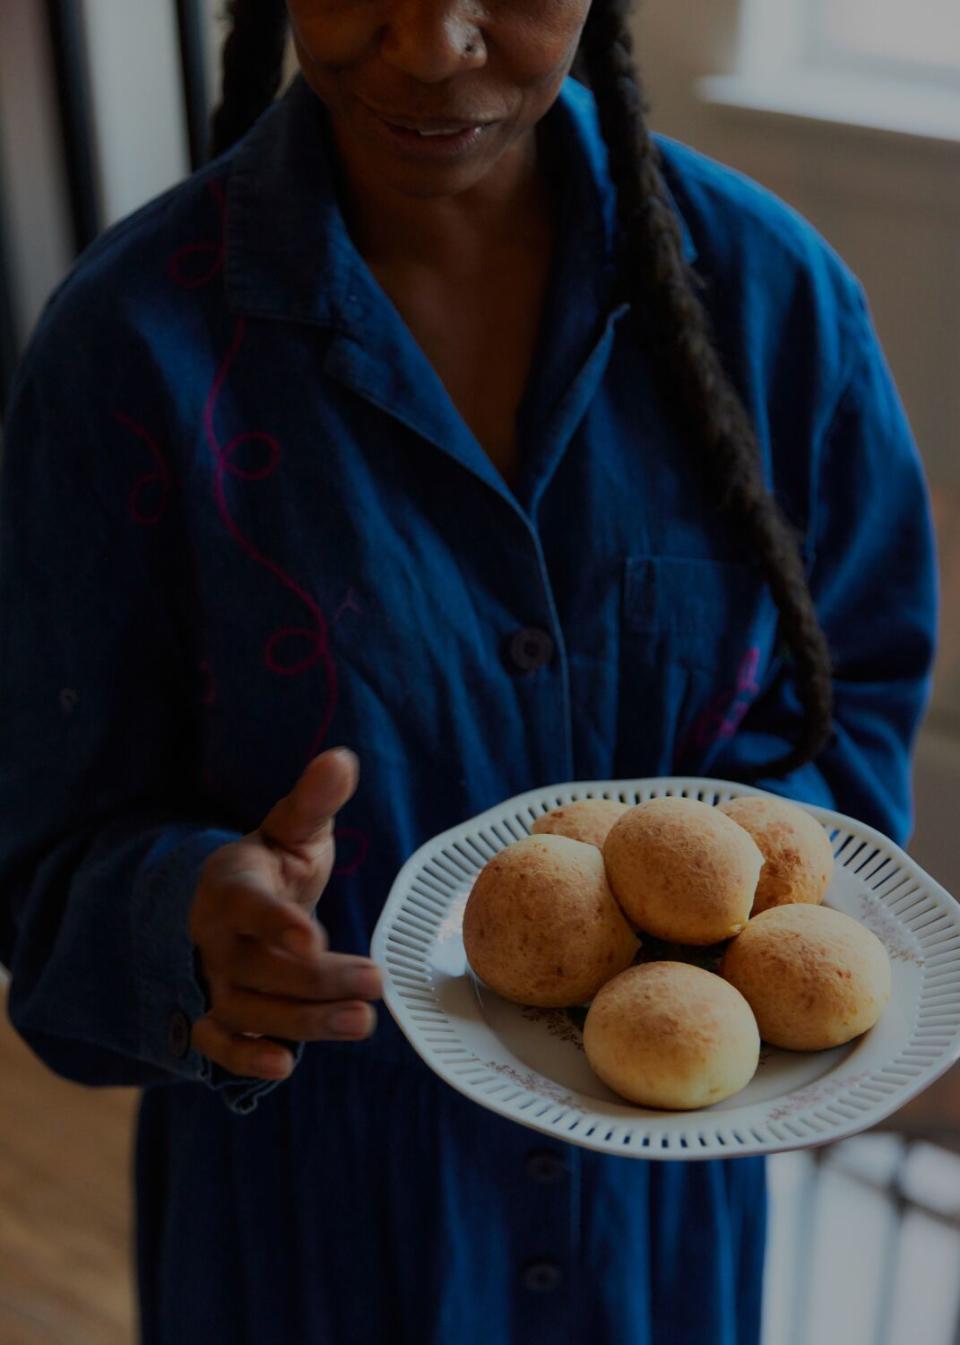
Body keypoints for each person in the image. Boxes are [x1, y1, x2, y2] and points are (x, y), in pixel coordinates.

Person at [0, 0, 937, 1340]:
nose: (436, 45)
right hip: (311, 1235)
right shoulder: (127, 350)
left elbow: (852, 715)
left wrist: (740, 945)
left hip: (656, 1231)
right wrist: (183, 915)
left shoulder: (774, 306)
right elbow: (46, 870)